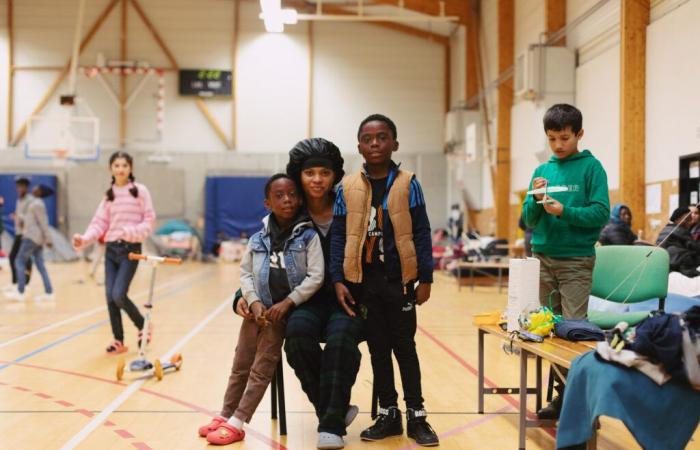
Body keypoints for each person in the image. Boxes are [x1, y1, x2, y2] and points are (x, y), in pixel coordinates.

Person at [230, 138, 363, 450]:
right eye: (309, 173)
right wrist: (241, 294)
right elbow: (264, 260)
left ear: (335, 176)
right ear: (299, 177)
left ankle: (330, 426)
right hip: (306, 303)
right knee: (298, 338)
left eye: (324, 173)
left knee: (341, 342)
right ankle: (334, 410)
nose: (317, 180)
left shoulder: (351, 211)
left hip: (349, 301)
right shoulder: (289, 214)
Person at [330, 114, 439, 447]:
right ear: (359, 145)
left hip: (399, 282)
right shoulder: (346, 187)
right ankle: (389, 413)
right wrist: (338, 278)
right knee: (378, 349)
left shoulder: (408, 183)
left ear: (395, 143)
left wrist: (426, 277)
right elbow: (337, 235)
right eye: (368, 138)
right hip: (365, 283)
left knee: (405, 348)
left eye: (381, 137)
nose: (374, 143)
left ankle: (417, 415)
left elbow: (421, 231)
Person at [198, 173, 324, 446]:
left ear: (300, 198)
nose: (287, 200)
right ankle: (225, 413)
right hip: (258, 312)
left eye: (291, 194)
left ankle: (238, 421)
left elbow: (316, 276)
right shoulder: (257, 239)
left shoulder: (309, 236)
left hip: (282, 315)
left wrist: (288, 302)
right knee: (240, 365)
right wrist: (253, 301)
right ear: (268, 203)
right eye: (279, 196)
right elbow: (245, 275)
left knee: (260, 368)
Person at [521, 103, 610, 420]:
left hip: (575, 261)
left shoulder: (591, 168)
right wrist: (534, 202)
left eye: (565, 138)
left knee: (573, 333)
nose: (558, 145)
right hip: (542, 259)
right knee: (545, 331)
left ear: (579, 134)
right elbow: (527, 219)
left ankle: (579, 404)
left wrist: (564, 212)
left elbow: (601, 213)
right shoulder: (542, 172)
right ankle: (561, 397)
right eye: (552, 139)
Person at [72, 151, 156, 354]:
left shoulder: (140, 191)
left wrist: (130, 232)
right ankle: (118, 339)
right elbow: (99, 223)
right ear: (111, 168)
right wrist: (84, 239)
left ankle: (143, 325)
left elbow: (149, 220)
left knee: (119, 294)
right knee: (110, 297)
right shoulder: (109, 195)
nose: (120, 169)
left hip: (130, 250)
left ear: (130, 168)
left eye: (124, 165)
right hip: (111, 250)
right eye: (116, 165)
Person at [5, 184, 55, 302]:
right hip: (35, 238)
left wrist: (49, 239)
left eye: (37, 188)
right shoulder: (34, 203)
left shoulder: (37, 204)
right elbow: (30, 219)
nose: (34, 188)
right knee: (40, 265)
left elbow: (43, 222)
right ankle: (49, 292)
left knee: (19, 261)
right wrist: (19, 217)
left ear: (40, 191)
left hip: (31, 238)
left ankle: (20, 291)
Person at [4, 176, 33, 293]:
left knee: (23, 259)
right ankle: (16, 282)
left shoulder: (30, 200)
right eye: (17, 186)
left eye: (21, 186)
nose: (19, 189)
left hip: (26, 234)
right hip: (19, 232)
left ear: (26, 187)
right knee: (14, 258)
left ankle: (24, 283)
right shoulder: (19, 200)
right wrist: (16, 215)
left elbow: (30, 217)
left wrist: (20, 217)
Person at [656, 207, 700, 277]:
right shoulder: (680, 230)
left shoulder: (665, 228)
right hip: (676, 261)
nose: (690, 222)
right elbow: (695, 247)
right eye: (687, 220)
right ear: (677, 219)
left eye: (690, 219)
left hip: (663, 261)